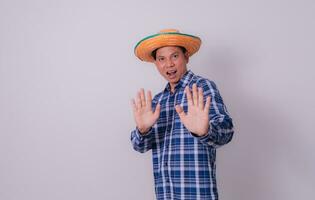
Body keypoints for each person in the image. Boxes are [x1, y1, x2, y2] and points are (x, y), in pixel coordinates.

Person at [130, 29, 234, 200]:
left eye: (174, 56)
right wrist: (142, 130)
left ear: (186, 57)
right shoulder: (157, 101)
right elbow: (139, 146)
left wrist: (205, 131)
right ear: (155, 63)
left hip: (198, 195)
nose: (169, 64)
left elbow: (227, 131)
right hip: (165, 195)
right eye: (161, 59)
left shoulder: (202, 88)